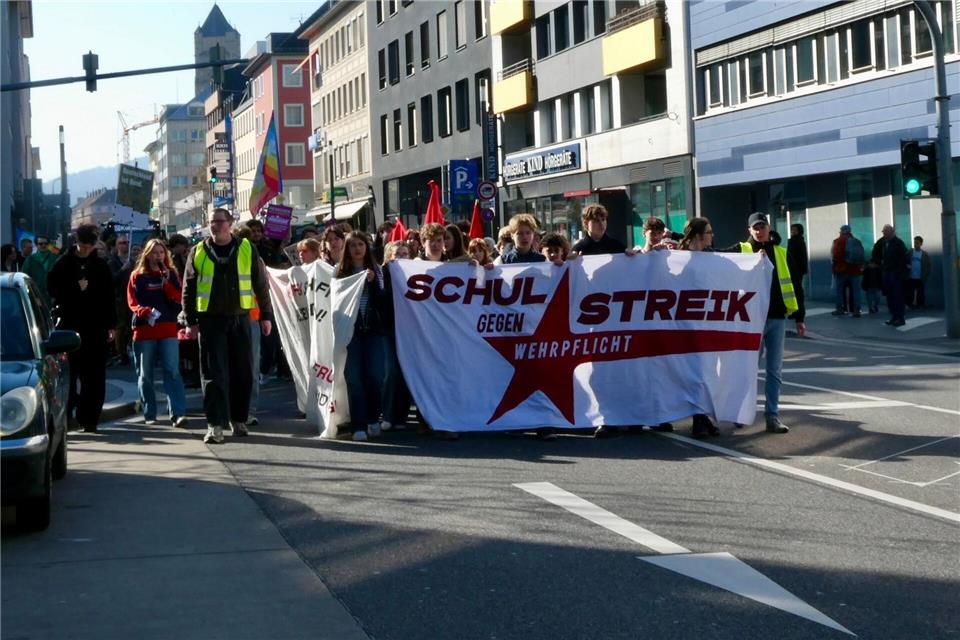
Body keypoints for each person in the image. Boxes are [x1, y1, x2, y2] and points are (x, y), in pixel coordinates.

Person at [181, 209, 274, 445]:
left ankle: (239, 419)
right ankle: (214, 425)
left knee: (243, 372)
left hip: (240, 318)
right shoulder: (198, 251)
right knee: (213, 374)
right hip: (210, 320)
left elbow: (260, 283)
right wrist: (190, 321)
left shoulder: (246, 248)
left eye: (220, 222)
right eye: (212, 222)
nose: (215, 226)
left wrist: (266, 315)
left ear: (230, 224)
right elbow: (188, 288)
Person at [720, 212, 805, 434]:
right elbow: (714, 258)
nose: (759, 231)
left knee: (774, 371)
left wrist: (800, 317)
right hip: (752, 320)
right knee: (747, 369)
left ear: (769, 227)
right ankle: (740, 412)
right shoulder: (742, 250)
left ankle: (772, 416)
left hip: (777, 317)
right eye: (755, 228)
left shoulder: (782, 252)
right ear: (749, 230)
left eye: (762, 227)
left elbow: (796, 285)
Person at [47, 224, 117, 433]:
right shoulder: (63, 264)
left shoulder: (100, 266)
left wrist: (111, 325)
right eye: (82, 246)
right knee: (69, 375)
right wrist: (74, 288)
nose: (86, 250)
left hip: (95, 328)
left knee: (94, 377)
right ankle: (67, 416)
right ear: (76, 243)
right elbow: (52, 289)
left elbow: (108, 297)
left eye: (89, 246)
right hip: (69, 327)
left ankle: (90, 418)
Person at [127, 239, 188, 428]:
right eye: (154, 253)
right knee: (145, 374)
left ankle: (177, 413)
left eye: (161, 253)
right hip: (144, 330)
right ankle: (150, 413)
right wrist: (143, 311)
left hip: (167, 327)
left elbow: (179, 298)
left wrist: (167, 283)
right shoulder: (137, 276)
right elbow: (132, 301)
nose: (158, 256)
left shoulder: (172, 274)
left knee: (172, 371)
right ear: (147, 255)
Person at [338, 232, 387, 442]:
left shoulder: (377, 270)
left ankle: (373, 418)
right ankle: (358, 425)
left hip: (373, 331)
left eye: (360, 244)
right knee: (355, 378)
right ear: (347, 250)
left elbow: (382, 302)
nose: (357, 249)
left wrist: (373, 283)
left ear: (367, 247)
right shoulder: (340, 272)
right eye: (353, 245)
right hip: (351, 332)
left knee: (376, 376)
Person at [677, 218, 721, 438]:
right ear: (697, 235)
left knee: (706, 372)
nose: (712, 235)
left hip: (706, 323)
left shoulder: (711, 256)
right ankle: (698, 420)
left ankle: (703, 417)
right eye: (709, 232)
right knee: (695, 372)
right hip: (686, 325)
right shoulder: (678, 258)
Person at [381, 240, 412, 432]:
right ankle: (387, 414)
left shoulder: (414, 274)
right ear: (389, 257)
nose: (401, 257)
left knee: (406, 372)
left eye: (405, 254)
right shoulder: (381, 275)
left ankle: (401, 416)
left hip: (409, 330)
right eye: (397, 254)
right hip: (388, 329)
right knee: (391, 372)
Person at [871, 224, 909, 327]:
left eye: (885, 232)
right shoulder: (884, 243)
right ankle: (894, 316)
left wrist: (900, 271)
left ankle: (900, 318)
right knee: (890, 296)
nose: (883, 233)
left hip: (896, 273)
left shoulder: (898, 243)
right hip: (887, 272)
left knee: (897, 296)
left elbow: (904, 258)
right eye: (883, 232)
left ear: (891, 232)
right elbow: (877, 254)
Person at [830, 225, 864, 317]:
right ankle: (857, 310)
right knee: (856, 291)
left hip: (842, 269)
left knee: (840, 290)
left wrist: (835, 266)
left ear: (841, 231)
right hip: (855, 269)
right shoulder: (857, 241)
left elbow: (836, 255)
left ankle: (840, 309)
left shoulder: (839, 241)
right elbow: (861, 255)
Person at [21, 235, 57, 304]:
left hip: (53, 295)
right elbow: (24, 278)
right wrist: (33, 296)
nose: (43, 245)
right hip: (36, 295)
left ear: (49, 245)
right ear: (36, 245)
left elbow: (60, 252)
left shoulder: (55, 257)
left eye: (45, 243)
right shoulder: (30, 259)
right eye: (40, 243)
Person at [787, 224, 808, 312]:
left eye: (795, 230)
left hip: (797, 269)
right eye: (792, 229)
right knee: (794, 289)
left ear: (799, 231)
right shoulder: (792, 241)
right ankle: (794, 308)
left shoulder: (799, 241)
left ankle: (798, 308)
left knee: (797, 289)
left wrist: (802, 269)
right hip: (792, 269)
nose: (792, 231)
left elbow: (803, 257)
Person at [906, 236, 931, 310]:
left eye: (917, 243)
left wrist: (926, 275)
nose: (915, 244)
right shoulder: (910, 252)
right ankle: (910, 304)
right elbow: (904, 260)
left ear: (921, 244)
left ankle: (920, 305)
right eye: (914, 243)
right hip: (911, 276)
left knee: (920, 292)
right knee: (910, 292)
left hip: (920, 276)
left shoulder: (924, 254)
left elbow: (928, 265)